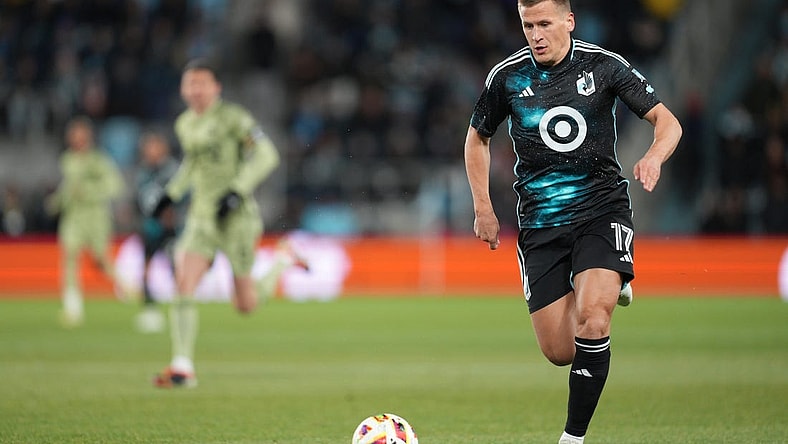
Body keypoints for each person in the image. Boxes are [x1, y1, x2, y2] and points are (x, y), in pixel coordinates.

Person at [463, 1, 682, 443]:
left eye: (545, 23)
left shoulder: (603, 67)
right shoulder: (506, 77)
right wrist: (483, 207)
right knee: (561, 351)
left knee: (593, 321)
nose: (536, 34)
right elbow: (477, 139)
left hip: (601, 211)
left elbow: (667, 122)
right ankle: (607, 283)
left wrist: (654, 158)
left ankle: (572, 437)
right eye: (528, 25)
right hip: (541, 225)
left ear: (569, 21)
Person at [150, 58, 282, 388]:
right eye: (189, 84)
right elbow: (193, 164)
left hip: (237, 219)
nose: (194, 90)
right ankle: (182, 366)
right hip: (201, 218)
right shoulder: (185, 124)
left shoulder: (234, 119)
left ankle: (283, 260)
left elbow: (267, 155)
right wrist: (172, 193)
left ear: (216, 87)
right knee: (183, 284)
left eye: (201, 83)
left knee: (245, 305)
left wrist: (237, 191)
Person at [46, 116, 125, 327]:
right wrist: (55, 203)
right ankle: (73, 308)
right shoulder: (68, 160)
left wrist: (89, 192)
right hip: (73, 217)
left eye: (80, 135)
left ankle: (128, 289)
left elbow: (115, 185)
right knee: (70, 256)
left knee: (102, 260)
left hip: (96, 217)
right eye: (73, 135)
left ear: (88, 137)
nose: (76, 139)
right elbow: (67, 188)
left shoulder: (98, 160)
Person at [133, 129, 182, 333]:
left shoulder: (172, 170)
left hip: (170, 228)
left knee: (175, 268)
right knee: (145, 268)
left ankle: (180, 306)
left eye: (155, 147)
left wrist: (172, 216)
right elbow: (140, 199)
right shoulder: (143, 172)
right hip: (150, 227)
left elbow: (182, 196)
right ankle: (149, 306)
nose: (151, 151)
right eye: (148, 147)